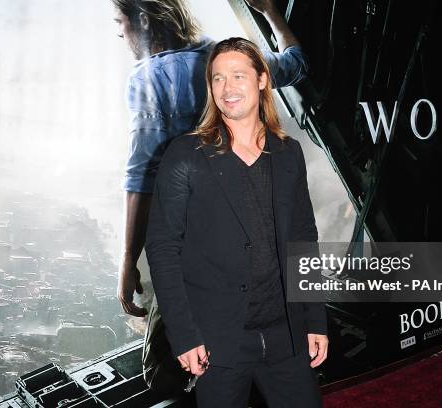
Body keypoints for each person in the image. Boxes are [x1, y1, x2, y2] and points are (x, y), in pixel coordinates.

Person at [145, 37, 328, 407]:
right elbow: (164, 249)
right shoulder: (185, 155)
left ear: (262, 80)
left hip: (286, 336)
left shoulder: (288, 152)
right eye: (217, 78)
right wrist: (184, 335)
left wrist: (315, 320)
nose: (227, 88)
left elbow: (303, 240)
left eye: (238, 76)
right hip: (218, 344)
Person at [112, 0, 311, 317]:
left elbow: (142, 174)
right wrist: (271, 12)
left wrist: (127, 258)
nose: (120, 34)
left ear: (145, 22)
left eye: (120, 22)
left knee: (167, 359)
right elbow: (296, 64)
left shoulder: (148, 80)